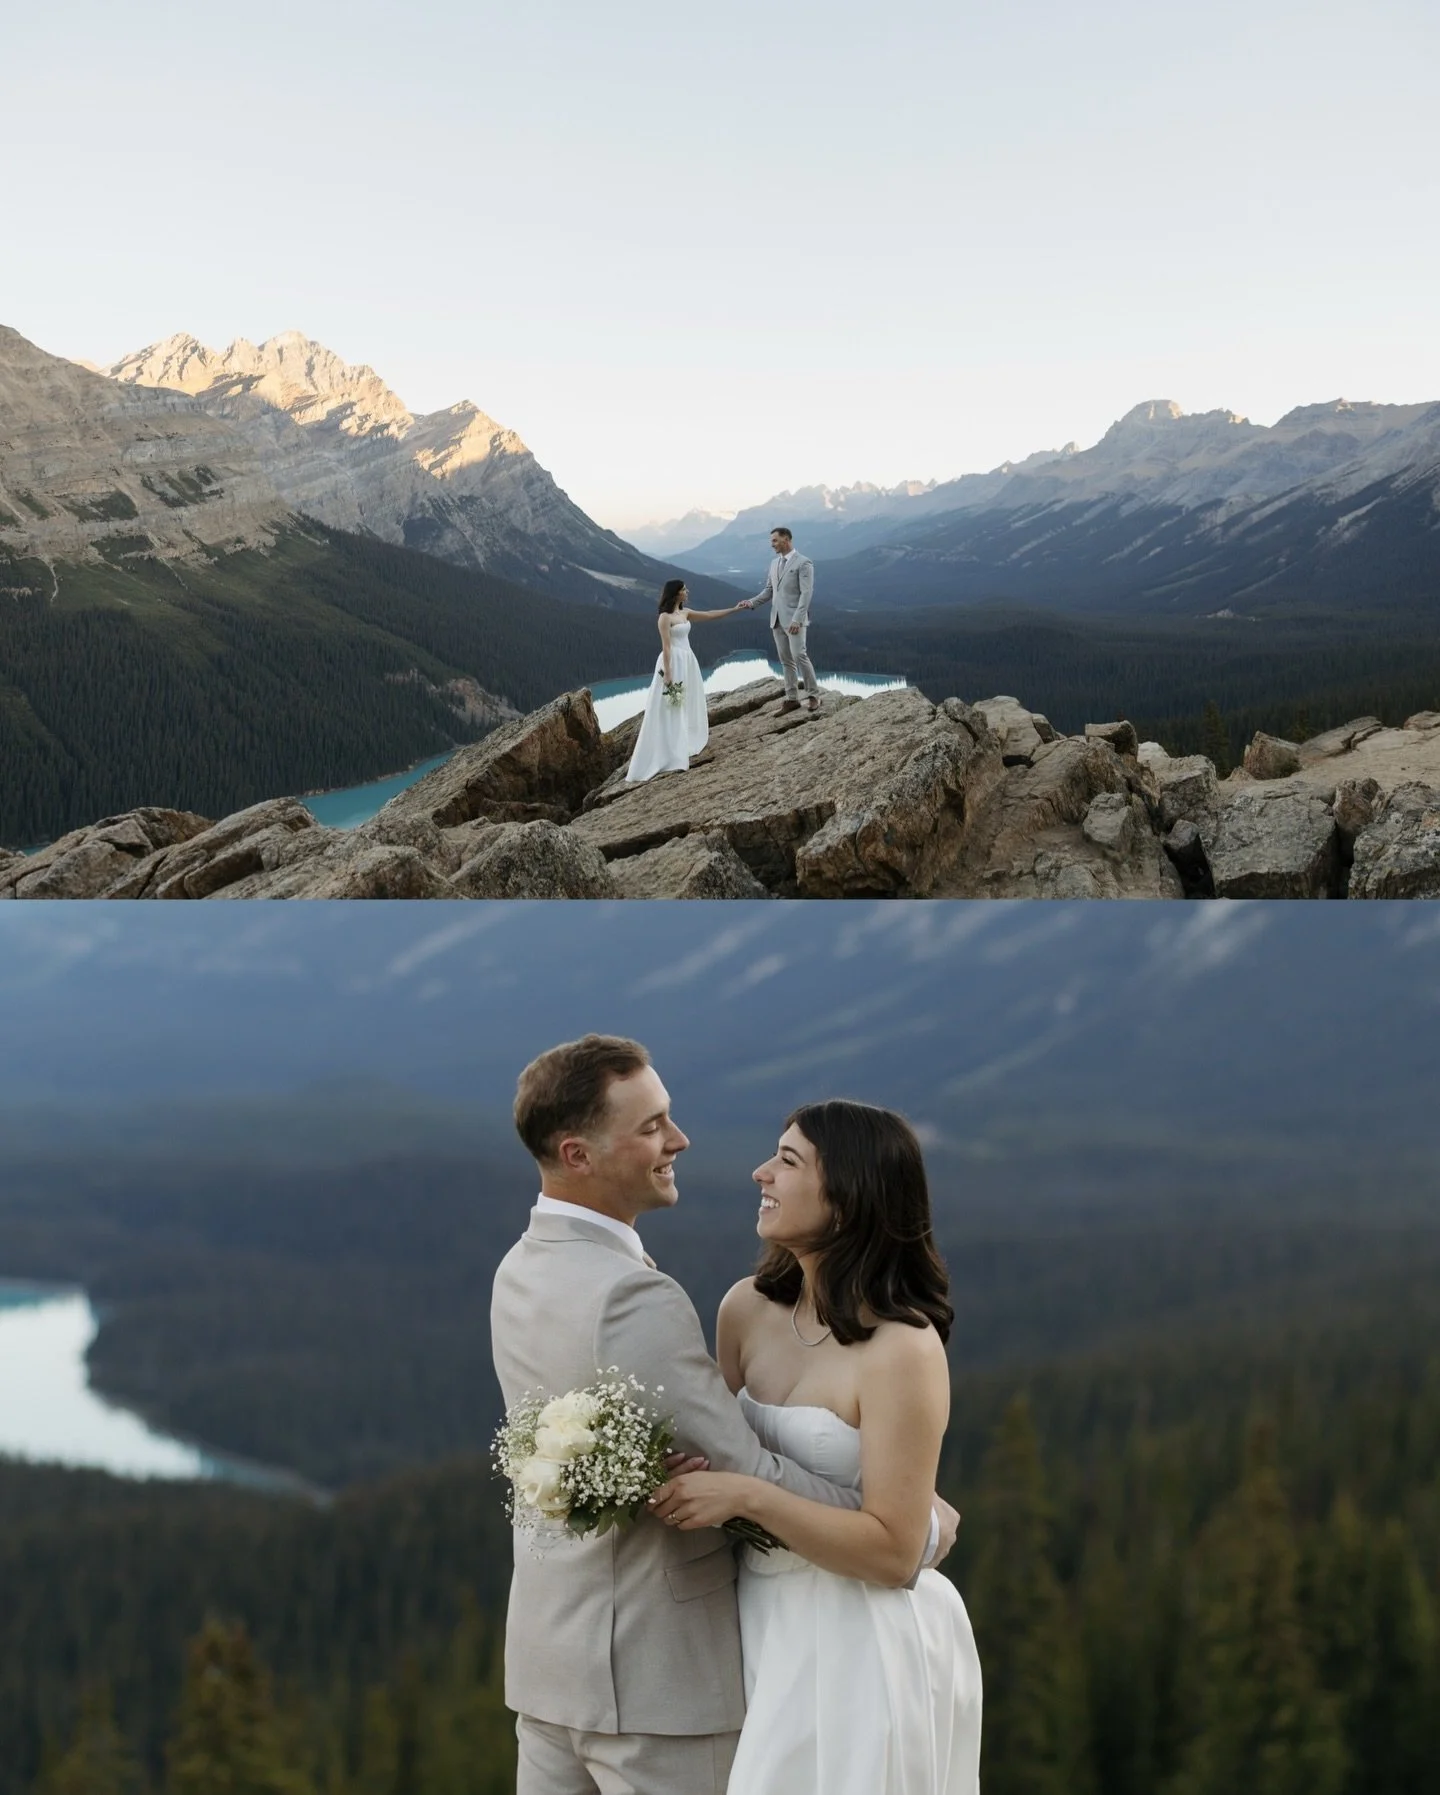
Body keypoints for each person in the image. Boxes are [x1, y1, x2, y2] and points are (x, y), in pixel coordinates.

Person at [491, 1037, 959, 1795]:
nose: (681, 1140)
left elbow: (725, 1470)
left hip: (579, 1661)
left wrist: (888, 1527)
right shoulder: (669, 1300)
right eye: (651, 1126)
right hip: (661, 1675)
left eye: (787, 1160)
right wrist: (919, 1525)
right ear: (578, 1153)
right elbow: (738, 1468)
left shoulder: (521, 1266)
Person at [650, 1100, 983, 1795]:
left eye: (788, 1161)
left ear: (849, 1195)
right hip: (754, 1622)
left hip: (859, 1642)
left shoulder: (903, 1347)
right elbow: (724, 1452)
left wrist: (747, 1496)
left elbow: (894, 1553)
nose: (759, 1172)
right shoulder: (744, 1309)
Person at [625, 579, 743, 784]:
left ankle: (683, 742)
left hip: (688, 659)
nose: (687, 592)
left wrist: (734, 609)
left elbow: (708, 615)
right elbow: (667, 646)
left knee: (686, 700)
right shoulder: (664, 617)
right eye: (683, 590)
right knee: (671, 705)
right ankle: (670, 750)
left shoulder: (685, 613)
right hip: (673, 662)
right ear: (675, 594)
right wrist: (668, 673)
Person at [740, 525, 820, 713]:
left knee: (800, 655)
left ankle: (814, 695)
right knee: (786, 661)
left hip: (794, 621)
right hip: (776, 619)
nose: (772, 544)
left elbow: (806, 593)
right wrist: (750, 603)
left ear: (786, 539)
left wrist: (797, 619)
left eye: (775, 540)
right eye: (772, 541)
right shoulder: (774, 564)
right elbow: (769, 590)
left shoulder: (804, 563)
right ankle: (792, 699)